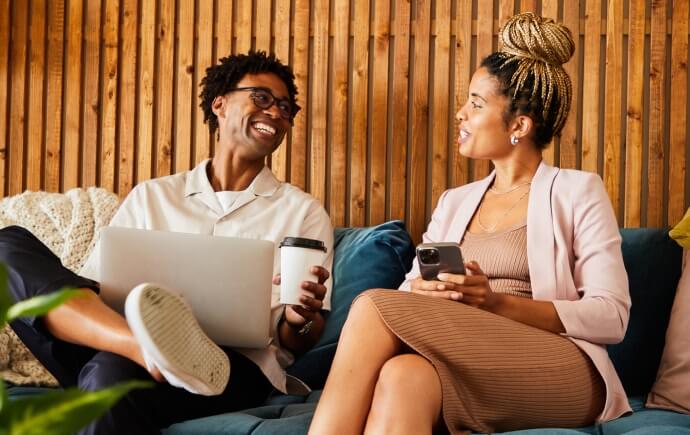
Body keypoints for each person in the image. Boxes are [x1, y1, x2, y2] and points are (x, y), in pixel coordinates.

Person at [309, 13, 631, 435]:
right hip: (468, 354)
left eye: (477, 104)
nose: (461, 113)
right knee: (402, 376)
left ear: (519, 125)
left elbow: (612, 317)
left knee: (371, 304)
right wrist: (424, 291)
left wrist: (494, 303)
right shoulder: (454, 202)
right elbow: (406, 299)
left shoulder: (578, 191)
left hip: (561, 366)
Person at [2, 51, 333, 434]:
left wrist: (300, 318)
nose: (276, 113)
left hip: (229, 368)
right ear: (220, 103)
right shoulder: (151, 196)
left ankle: (144, 355)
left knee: (109, 376)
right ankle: (144, 349)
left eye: (286, 108)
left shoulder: (303, 211)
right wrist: (136, 342)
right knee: (7, 245)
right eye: (262, 98)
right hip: (118, 343)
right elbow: (94, 291)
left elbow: (298, 338)